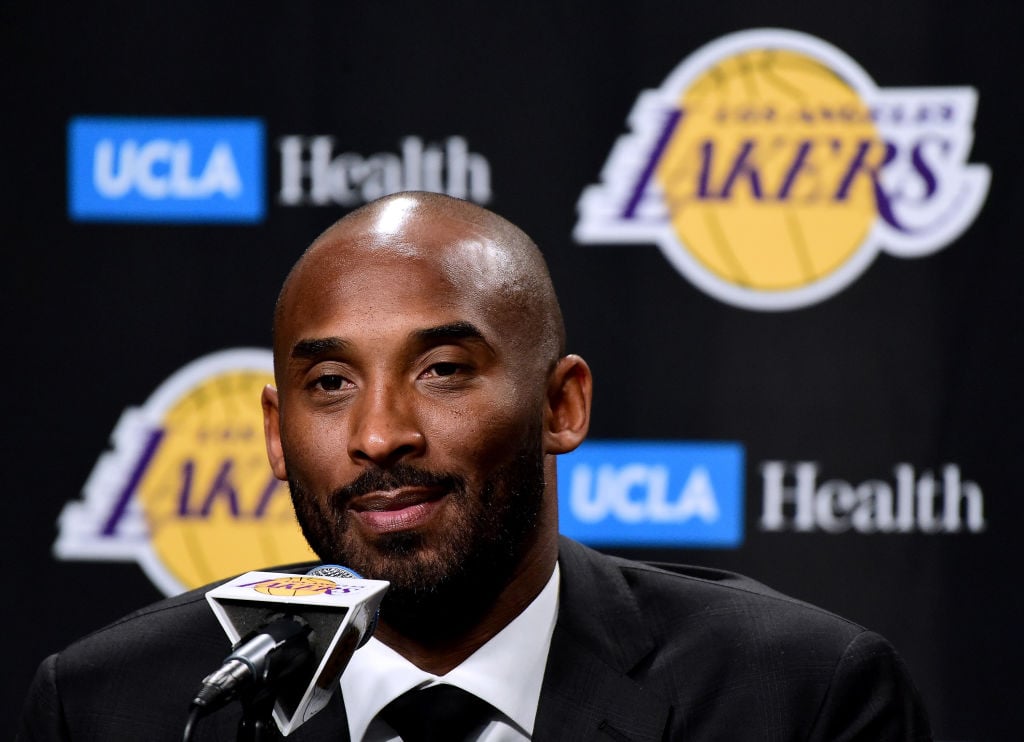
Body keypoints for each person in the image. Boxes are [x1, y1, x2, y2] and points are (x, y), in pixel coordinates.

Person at [17, 191, 933, 741]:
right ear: (273, 430)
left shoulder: (801, 701)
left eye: (443, 371)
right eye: (330, 383)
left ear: (561, 405)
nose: (379, 435)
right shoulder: (113, 706)